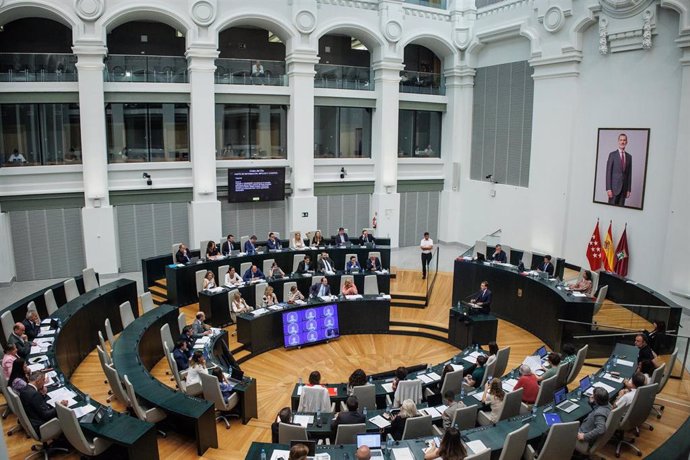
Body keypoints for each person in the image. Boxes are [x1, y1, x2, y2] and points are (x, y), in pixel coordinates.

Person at [575, 387, 612, 454]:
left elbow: (601, 429)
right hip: (589, 429)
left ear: (597, 400)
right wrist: (591, 402)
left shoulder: (600, 413)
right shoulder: (608, 405)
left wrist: (584, 436)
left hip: (584, 438)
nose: (591, 396)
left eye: (593, 395)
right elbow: (597, 409)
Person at [605, 133, 633, 206]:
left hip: (624, 190)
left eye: (624, 140)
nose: (622, 142)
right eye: (621, 140)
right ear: (618, 141)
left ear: (626, 142)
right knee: (611, 209)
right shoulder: (612, 155)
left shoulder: (629, 157)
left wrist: (628, 190)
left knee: (621, 211)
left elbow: (629, 174)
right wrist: (608, 188)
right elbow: (608, 172)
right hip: (613, 190)